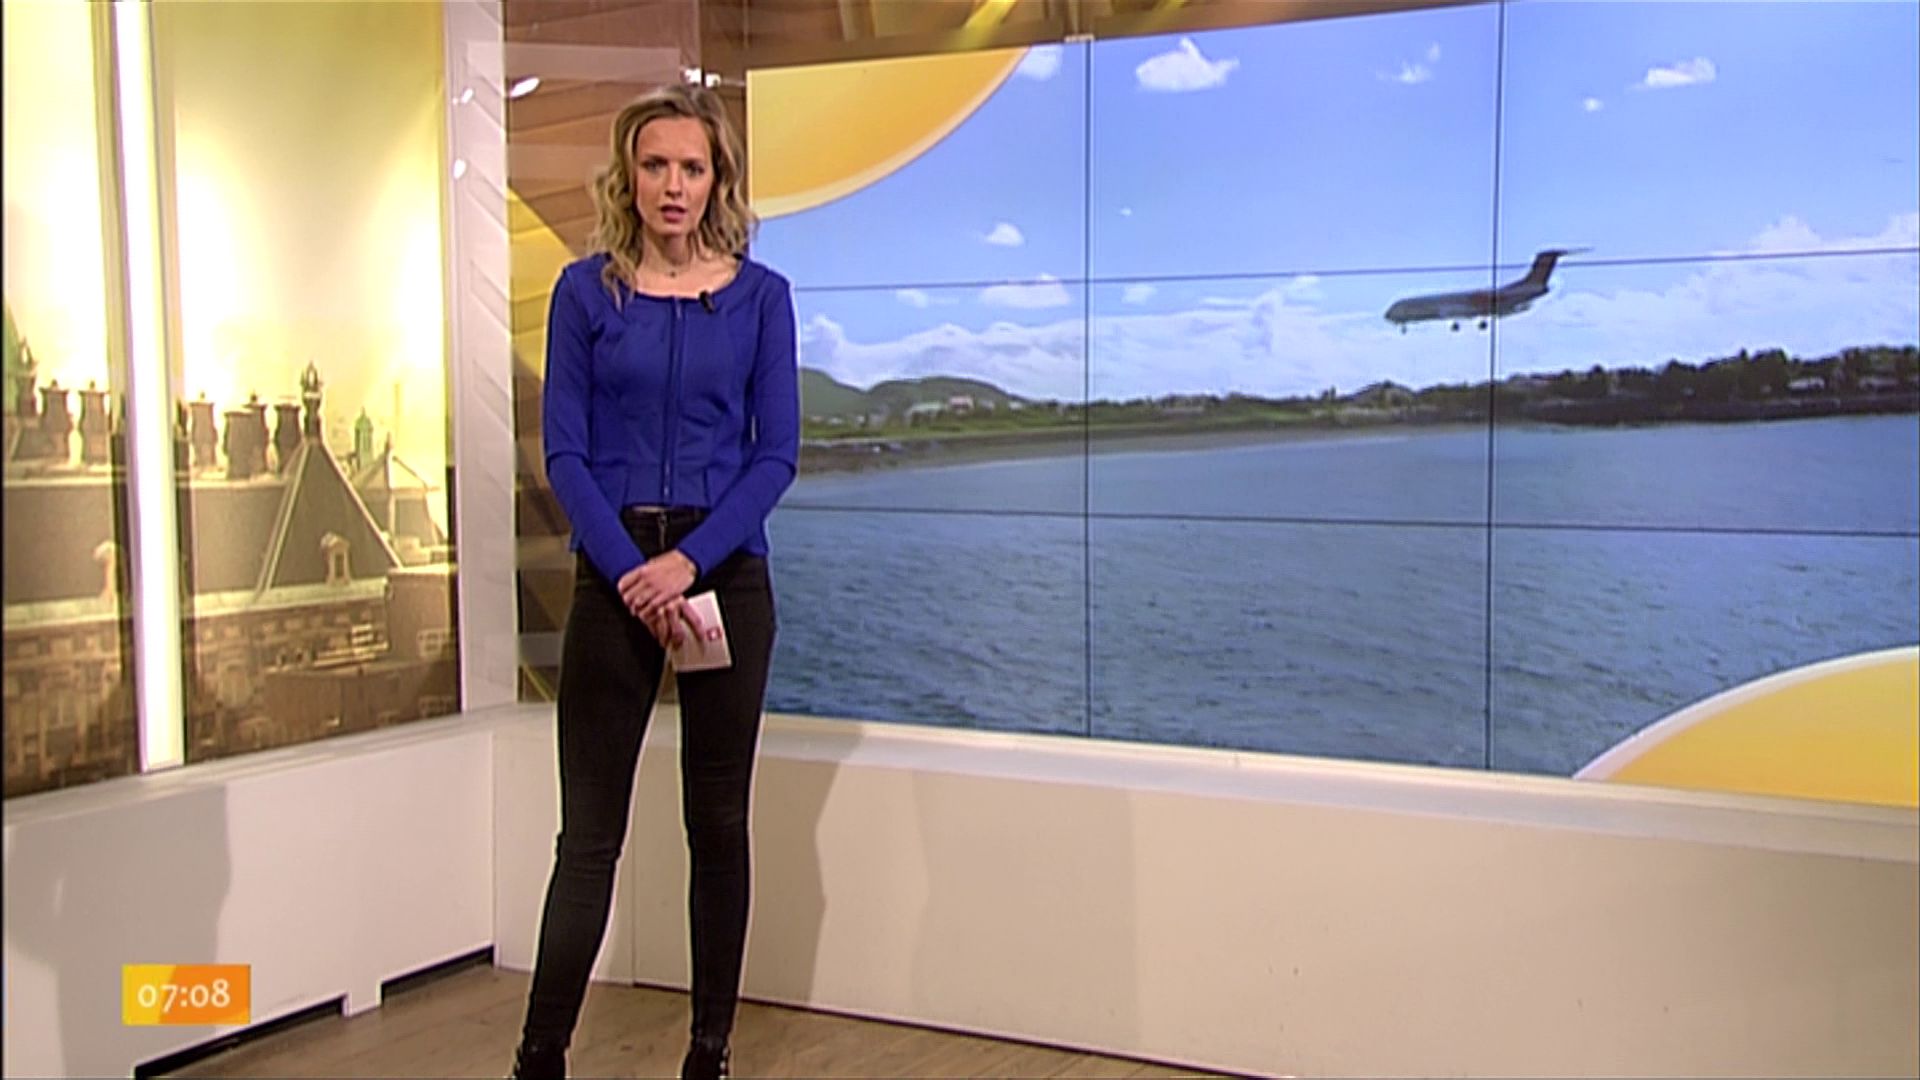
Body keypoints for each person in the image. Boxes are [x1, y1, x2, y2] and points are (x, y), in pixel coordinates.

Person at [509, 83, 799, 1080]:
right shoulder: (584, 294)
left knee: (717, 825)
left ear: (718, 181)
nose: (673, 185)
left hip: (724, 576)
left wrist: (687, 563)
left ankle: (708, 1053)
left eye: (692, 167)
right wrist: (633, 572)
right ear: (627, 178)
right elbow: (564, 453)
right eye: (655, 165)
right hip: (614, 578)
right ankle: (539, 1056)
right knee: (588, 838)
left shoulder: (762, 298)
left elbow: (776, 455)